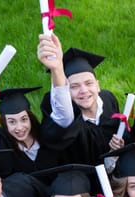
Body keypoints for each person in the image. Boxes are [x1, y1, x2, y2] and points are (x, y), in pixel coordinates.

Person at [36, 34, 120, 165]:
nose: (84, 91)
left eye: (89, 83)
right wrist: (57, 69)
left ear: (97, 85)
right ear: (66, 92)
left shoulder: (108, 100)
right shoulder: (66, 118)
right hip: (79, 177)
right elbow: (62, 111)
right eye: (74, 86)